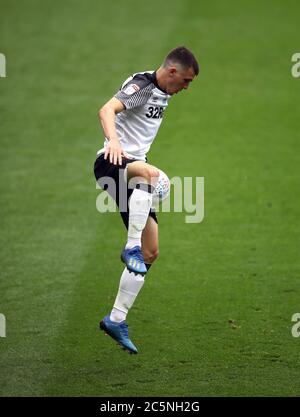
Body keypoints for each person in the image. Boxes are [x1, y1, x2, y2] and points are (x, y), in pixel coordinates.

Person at [94, 46, 199, 354]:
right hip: (112, 163)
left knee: (151, 251)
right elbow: (106, 110)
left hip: (131, 169)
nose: (186, 88)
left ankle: (116, 319)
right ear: (171, 72)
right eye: (186, 81)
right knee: (153, 177)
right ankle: (130, 248)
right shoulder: (142, 85)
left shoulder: (163, 91)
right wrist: (113, 140)